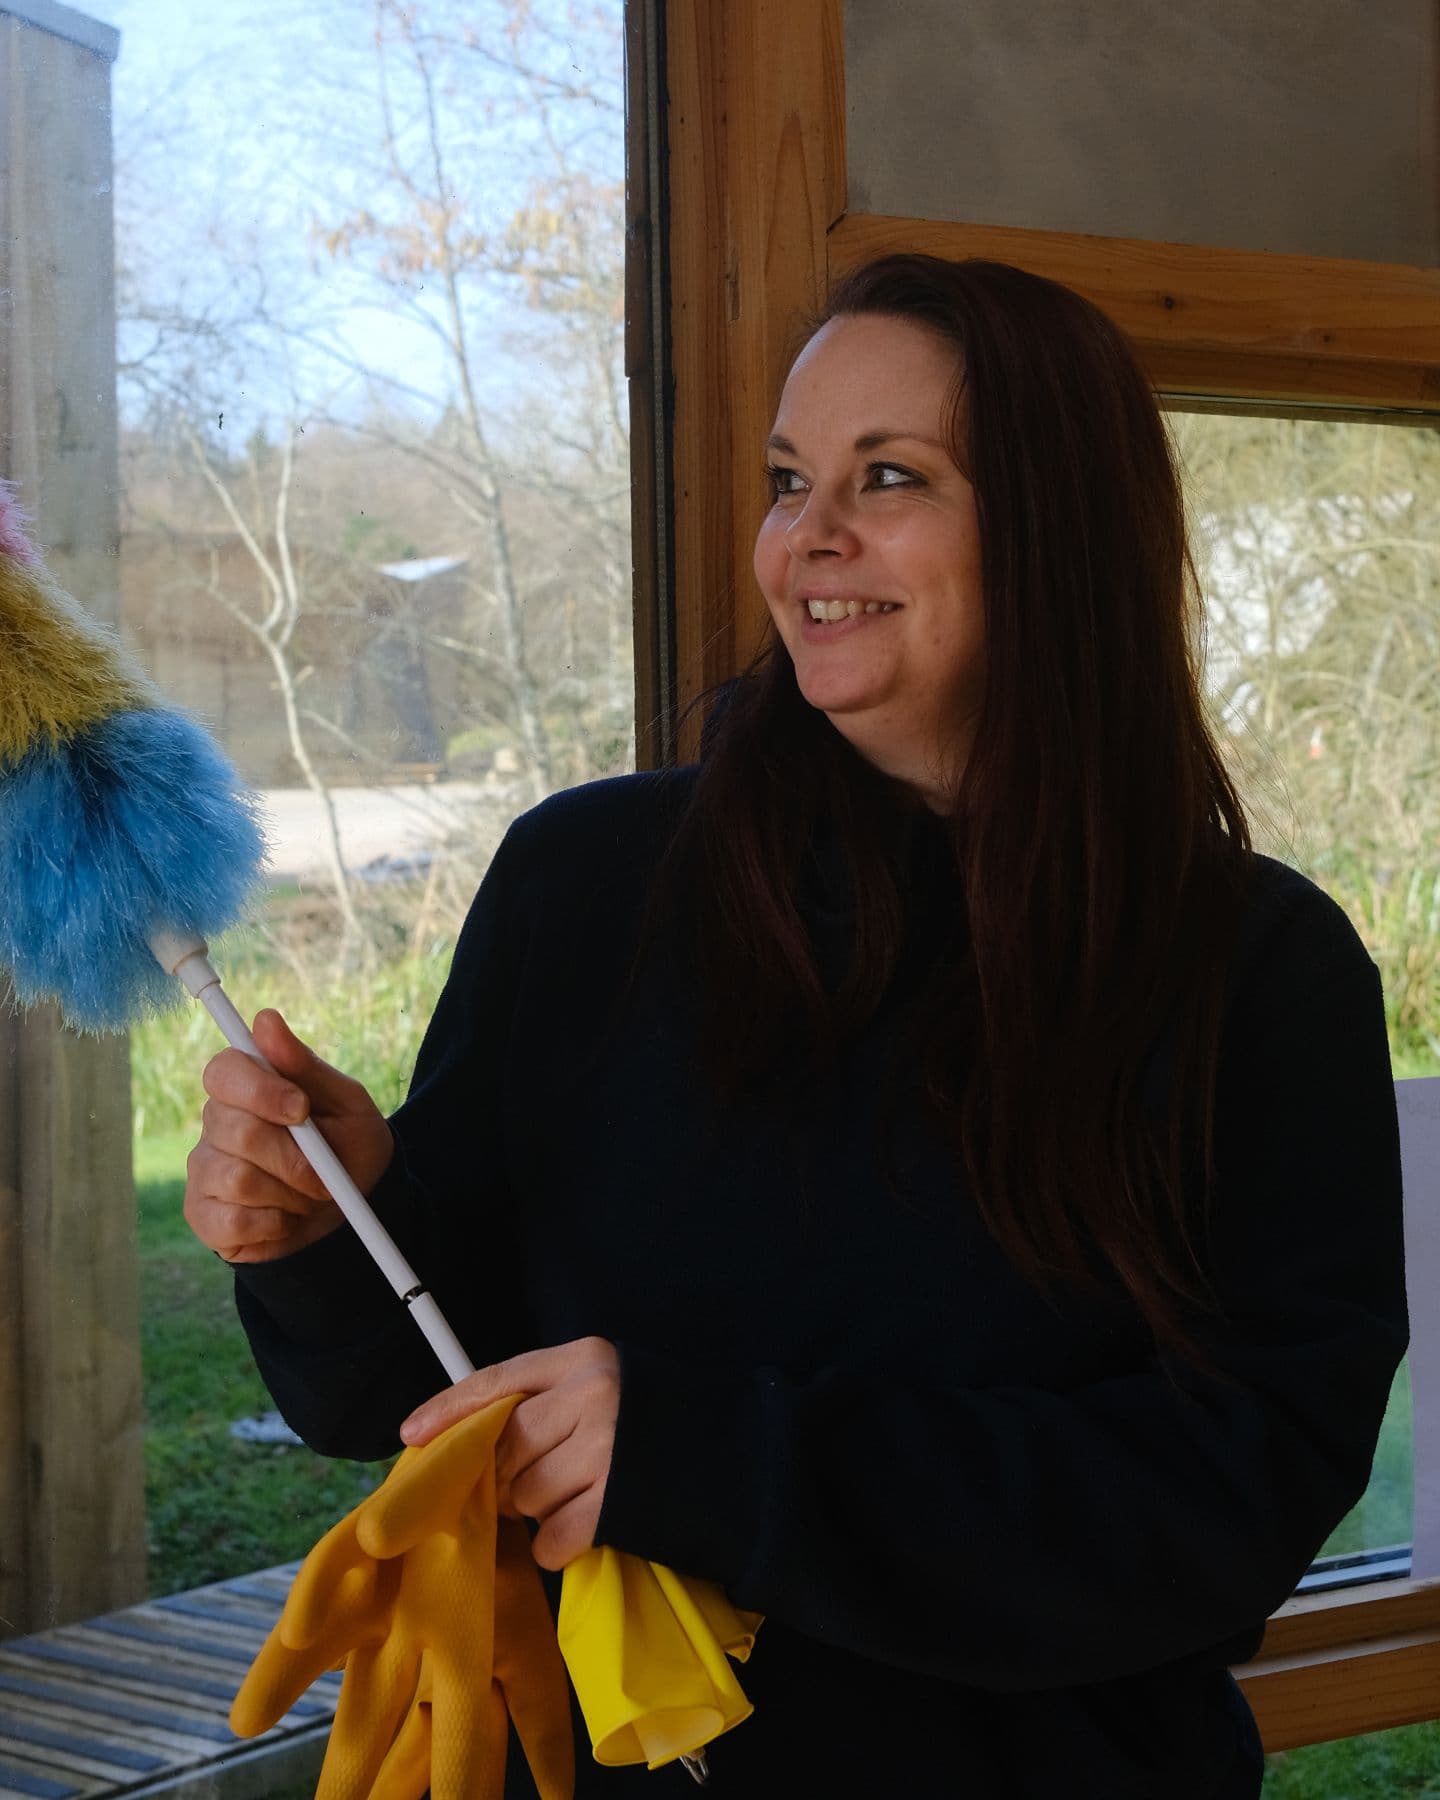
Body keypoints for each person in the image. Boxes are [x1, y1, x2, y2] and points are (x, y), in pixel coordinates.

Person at [184, 255, 1408, 1799]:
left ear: (1059, 531)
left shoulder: (1257, 966)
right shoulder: (586, 882)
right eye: (787, 478)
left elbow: (1231, 1503)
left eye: (888, 477)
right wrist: (330, 1227)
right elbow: (401, 1397)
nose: (807, 539)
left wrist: (708, 1462)